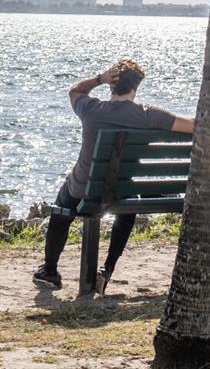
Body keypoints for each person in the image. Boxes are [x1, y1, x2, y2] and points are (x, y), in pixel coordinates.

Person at [33, 58, 193, 295]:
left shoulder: (91, 110)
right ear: (136, 87)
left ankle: (50, 270)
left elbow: (75, 91)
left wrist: (99, 78)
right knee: (127, 205)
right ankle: (106, 269)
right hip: (120, 191)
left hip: (82, 189)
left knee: (62, 205)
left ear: (111, 85)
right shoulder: (148, 115)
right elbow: (192, 125)